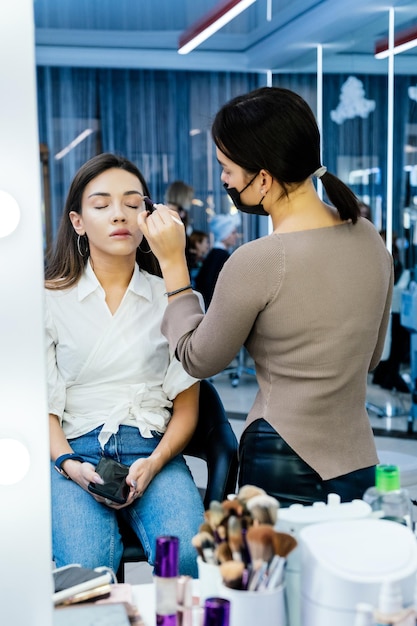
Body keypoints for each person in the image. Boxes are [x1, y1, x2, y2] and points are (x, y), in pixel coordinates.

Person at [138, 86, 394, 507]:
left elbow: (198, 358)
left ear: (262, 178)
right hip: (357, 458)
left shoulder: (259, 260)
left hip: (281, 455)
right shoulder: (369, 238)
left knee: (271, 575)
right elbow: (372, 357)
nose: (222, 180)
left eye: (227, 169)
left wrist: (173, 265)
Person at [45, 153, 204, 576]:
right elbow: (41, 408)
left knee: (187, 554)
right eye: (102, 205)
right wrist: (67, 464)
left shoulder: (176, 299)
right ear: (78, 222)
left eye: (133, 204)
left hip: (153, 447)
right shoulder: (48, 299)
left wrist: (154, 464)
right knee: (87, 567)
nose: (120, 214)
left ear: (148, 217)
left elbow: (187, 408)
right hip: (74, 449)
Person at [195, 213, 240, 308]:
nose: (236, 236)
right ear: (225, 234)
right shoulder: (221, 256)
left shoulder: (215, 254)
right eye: (233, 233)